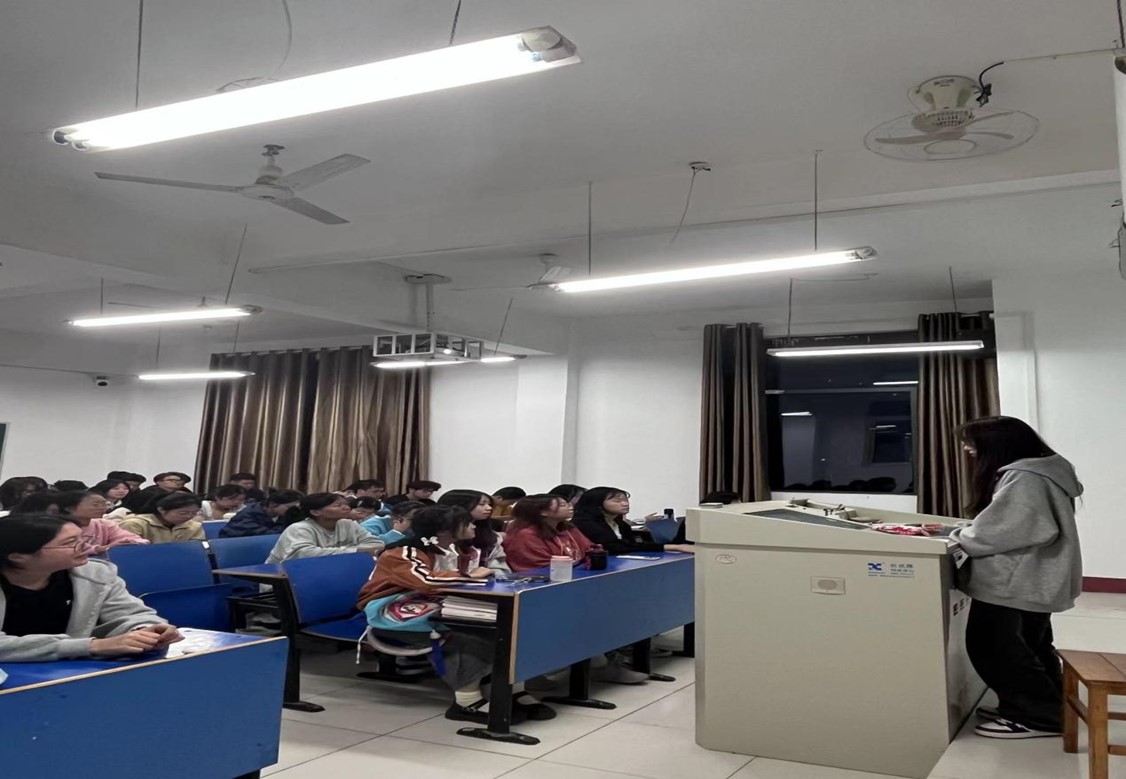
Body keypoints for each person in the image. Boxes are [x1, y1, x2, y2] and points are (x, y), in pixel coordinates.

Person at [943, 416, 1083, 740]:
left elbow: (1006, 529)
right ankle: (1047, 708)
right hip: (1035, 576)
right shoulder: (1045, 471)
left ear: (997, 445)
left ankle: (1036, 717)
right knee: (1031, 645)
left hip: (1016, 579)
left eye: (971, 443)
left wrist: (959, 535)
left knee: (995, 648)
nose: (967, 449)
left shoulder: (1024, 477)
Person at [356, 504, 553, 724]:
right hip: (391, 606)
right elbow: (426, 581)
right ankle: (466, 701)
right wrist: (472, 576)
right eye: (467, 523)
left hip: (432, 599)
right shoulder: (403, 551)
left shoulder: (454, 549)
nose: (474, 526)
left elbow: (455, 581)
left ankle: (513, 690)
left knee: (510, 624)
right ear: (443, 530)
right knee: (466, 629)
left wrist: (476, 577)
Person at [0, 514, 183, 661]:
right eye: (70, 543)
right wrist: (92, 646)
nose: (86, 547)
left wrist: (144, 630)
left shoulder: (94, 574)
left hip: (68, 670)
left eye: (82, 538)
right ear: (18, 557)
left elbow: (130, 613)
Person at [572, 487, 695, 555]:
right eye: (617, 501)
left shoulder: (621, 524)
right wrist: (675, 547)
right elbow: (614, 546)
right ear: (597, 504)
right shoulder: (584, 523)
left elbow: (632, 545)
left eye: (626, 500)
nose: (625, 504)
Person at [265, 493, 382, 563]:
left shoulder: (348, 524)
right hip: (286, 580)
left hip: (332, 571)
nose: (346, 508)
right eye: (338, 505)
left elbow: (376, 544)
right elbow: (305, 554)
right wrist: (354, 550)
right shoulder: (299, 529)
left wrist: (353, 550)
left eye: (346, 504)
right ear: (316, 512)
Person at [504, 493, 594, 571]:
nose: (570, 507)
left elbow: (591, 549)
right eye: (563, 505)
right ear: (543, 512)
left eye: (568, 503)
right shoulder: (525, 535)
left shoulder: (568, 528)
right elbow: (540, 567)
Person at [437, 490, 509, 572]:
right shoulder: (441, 539)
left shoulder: (491, 537)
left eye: (489, 504)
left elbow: (500, 568)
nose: (489, 508)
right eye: (482, 504)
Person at [55, 491, 148, 554]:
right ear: (70, 508)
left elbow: (130, 537)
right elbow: (68, 548)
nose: (102, 508)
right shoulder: (57, 526)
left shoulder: (105, 524)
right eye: (95, 505)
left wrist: (131, 542)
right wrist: (100, 549)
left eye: (104, 504)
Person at [119, 493, 206, 543]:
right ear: (162, 510)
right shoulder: (135, 524)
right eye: (183, 513)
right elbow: (128, 551)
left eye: (194, 513)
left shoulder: (194, 526)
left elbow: (194, 550)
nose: (189, 516)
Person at [219, 490, 304, 538]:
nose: (294, 510)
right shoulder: (248, 515)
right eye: (289, 507)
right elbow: (266, 536)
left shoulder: (283, 515)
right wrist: (290, 524)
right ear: (272, 504)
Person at [121, 471, 191, 513]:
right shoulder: (149, 493)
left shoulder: (184, 491)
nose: (176, 482)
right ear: (159, 482)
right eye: (171, 480)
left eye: (179, 481)